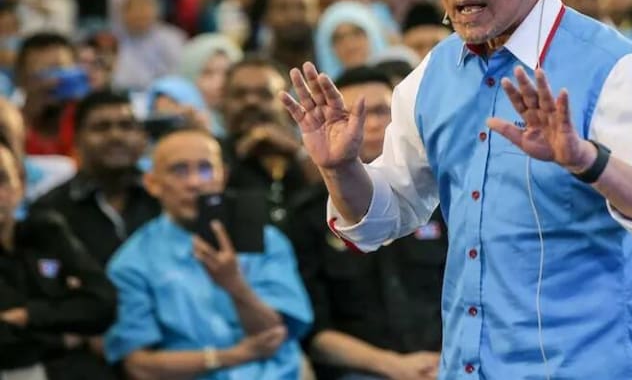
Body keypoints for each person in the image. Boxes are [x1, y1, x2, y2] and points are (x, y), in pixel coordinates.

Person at [280, 0, 632, 378]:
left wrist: (588, 162)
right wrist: (340, 169)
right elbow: (385, 216)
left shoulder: (613, 66)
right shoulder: (430, 77)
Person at [104, 127, 313, 379]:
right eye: (179, 170)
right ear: (152, 183)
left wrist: (235, 285)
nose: (195, 183)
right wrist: (231, 356)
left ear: (222, 176)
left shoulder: (266, 240)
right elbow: (139, 366)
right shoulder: (132, 262)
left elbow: (274, 335)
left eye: (205, 169)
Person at [289, 66, 445, 380]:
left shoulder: (444, 197)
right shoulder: (305, 214)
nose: (371, 124)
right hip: (360, 371)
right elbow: (314, 331)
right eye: (349, 116)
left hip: (450, 362)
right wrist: (392, 366)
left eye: (381, 111)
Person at [0, 142, 118, 380]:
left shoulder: (47, 231)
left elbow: (103, 301)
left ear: (20, 185)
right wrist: (64, 337)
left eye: (1, 179)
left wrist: (28, 315)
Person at [32, 90, 159, 267]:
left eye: (126, 126)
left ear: (142, 138)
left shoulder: (163, 199)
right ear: (76, 139)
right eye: (101, 127)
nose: (116, 136)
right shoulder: (50, 211)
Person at [222, 57, 314, 228]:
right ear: (224, 102)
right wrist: (237, 157)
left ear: (288, 104)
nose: (251, 102)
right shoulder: (213, 153)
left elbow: (332, 192)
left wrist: (296, 152)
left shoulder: (311, 151)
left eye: (265, 94)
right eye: (239, 94)